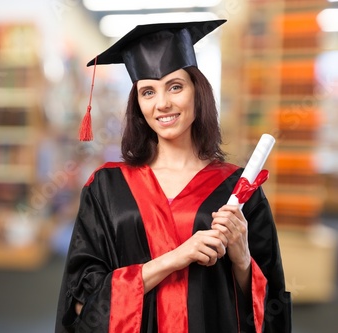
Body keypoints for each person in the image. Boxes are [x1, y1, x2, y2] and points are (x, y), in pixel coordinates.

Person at [55, 19, 292, 333]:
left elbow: (270, 301)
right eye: (148, 92)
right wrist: (174, 258)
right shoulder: (106, 186)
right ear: (138, 105)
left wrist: (242, 258)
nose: (162, 103)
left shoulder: (238, 189)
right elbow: (83, 300)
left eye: (175, 86)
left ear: (198, 91)